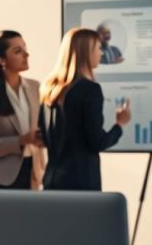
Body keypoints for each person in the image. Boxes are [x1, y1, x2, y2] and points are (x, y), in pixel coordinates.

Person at [39, 27, 132, 190]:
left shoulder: (49, 88)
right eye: (98, 48)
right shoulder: (90, 90)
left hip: (52, 180)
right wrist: (119, 125)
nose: (101, 54)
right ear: (85, 52)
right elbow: (97, 142)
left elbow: (44, 138)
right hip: (80, 182)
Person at [0, 30, 46, 190]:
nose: (26, 54)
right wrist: (21, 140)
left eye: (25, 48)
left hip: (33, 173)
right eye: (18, 51)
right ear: (1, 60)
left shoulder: (35, 87)